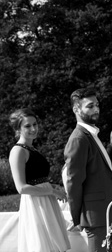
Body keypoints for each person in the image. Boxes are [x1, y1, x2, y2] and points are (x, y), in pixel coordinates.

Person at [63, 88, 112, 252]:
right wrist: (76, 216)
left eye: (97, 105)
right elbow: (73, 181)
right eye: (90, 106)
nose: (96, 109)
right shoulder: (79, 138)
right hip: (95, 214)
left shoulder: (91, 134)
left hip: (107, 209)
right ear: (76, 109)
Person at [8, 108, 70, 252]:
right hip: (35, 204)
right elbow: (22, 188)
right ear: (18, 128)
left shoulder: (32, 149)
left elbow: (37, 179)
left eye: (35, 124)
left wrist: (53, 187)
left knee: (54, 246)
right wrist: (51, 191)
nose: (33, 128)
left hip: (46, 201)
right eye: (27, 126)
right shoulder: (18, 151)